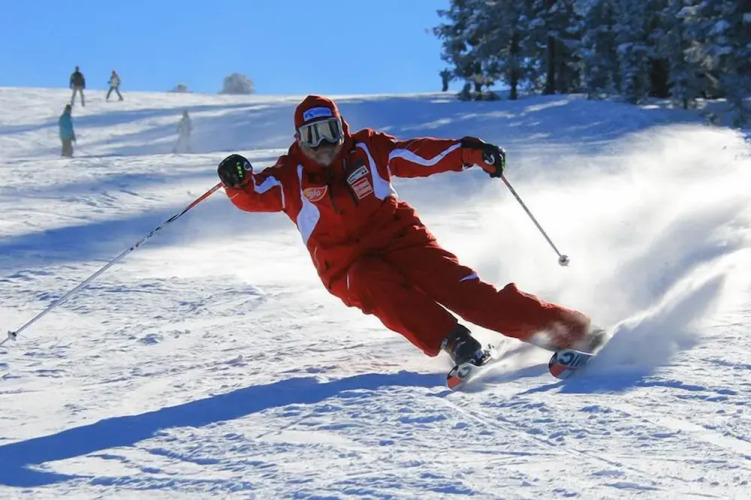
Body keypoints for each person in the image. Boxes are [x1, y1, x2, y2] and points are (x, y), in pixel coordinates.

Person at [216, 95, 603, 367]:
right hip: (347, 266)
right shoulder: (290, 176)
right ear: (299, 139)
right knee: (375, 281)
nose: (324, 144)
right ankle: (456, 341)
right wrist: (237, 181)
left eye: (330, 131)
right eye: (312, 136)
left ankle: (575, 331)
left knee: (468, 294)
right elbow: (253, 194)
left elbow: (418, 154)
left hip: (402, 239)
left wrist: (470, 152)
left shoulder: (367, 149)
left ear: (341, 128)